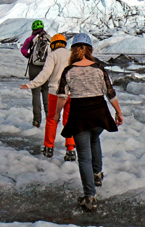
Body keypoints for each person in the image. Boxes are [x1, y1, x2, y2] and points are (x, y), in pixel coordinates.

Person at [55, 33, 123, 212]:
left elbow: (62, 97)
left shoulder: (68, 71)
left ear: (74, 50)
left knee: (83, 155)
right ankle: (97, 174)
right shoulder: (99, 68)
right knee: (95, 140)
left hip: (80, 116)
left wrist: (55, 115)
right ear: (90, 49)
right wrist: (118, 112)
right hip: (100, 114)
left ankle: (90, 197)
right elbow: (110, 93)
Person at [20, 33, 76, 161]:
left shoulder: (53, 55)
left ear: (53, 44)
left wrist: (30, 84)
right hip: (72, 94)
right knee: (69, 121)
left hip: (55, 93)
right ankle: (71, 150)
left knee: (52, 119)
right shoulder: (72, 55)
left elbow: (45, 74)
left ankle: (48, 148)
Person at [21, 20, 51, 127]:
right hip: (46, 68)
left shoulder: (31, 39)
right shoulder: (48, 38)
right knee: (46, 92)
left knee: (36, 94)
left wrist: (30, 56)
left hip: (34, 68)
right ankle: (49, 119)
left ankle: (37, 120)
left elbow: (23, 50)